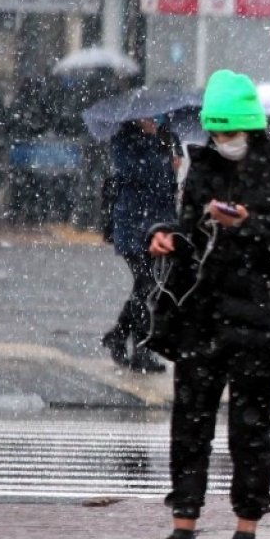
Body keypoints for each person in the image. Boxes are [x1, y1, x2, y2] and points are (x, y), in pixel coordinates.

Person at [144, 70, 270, 539]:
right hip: (202, 317)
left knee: (251, 431)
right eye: (216, 134)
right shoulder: (203, 169)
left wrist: (249, 227)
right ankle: (182, 529)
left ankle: (245, 533)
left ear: (251, 127)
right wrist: (169, 236)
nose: (224, 142)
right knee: (189, 426)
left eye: (230, 133)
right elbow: (190, 230)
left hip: (261, 321)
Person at [100, 117, 176, 374]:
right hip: (134, 223)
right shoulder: (126, 141)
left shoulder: (165, 140)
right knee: (147, 285)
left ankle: (120, 335)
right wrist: (159, 156)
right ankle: (141, 349)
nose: (153, 122)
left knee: (148, 285)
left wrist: (172, 165)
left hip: (158, 224)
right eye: (148, 118)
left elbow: (167, 188)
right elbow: (134, 173)